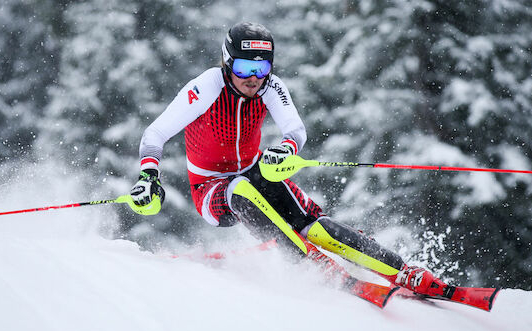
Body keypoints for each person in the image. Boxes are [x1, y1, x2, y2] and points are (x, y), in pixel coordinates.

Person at [130, 22, 448, 298]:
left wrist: (286, 149)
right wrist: (148, 176)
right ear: (227, 64)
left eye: (262, 69)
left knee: (314, 225)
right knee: (241, 188)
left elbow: (295, 130)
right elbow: (155, 134)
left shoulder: (271, 87)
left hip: (254, 171)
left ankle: (404, 272)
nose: (253, 79)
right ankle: (308, 265)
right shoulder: (206, 87)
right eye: (243, 69)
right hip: (211, 188)